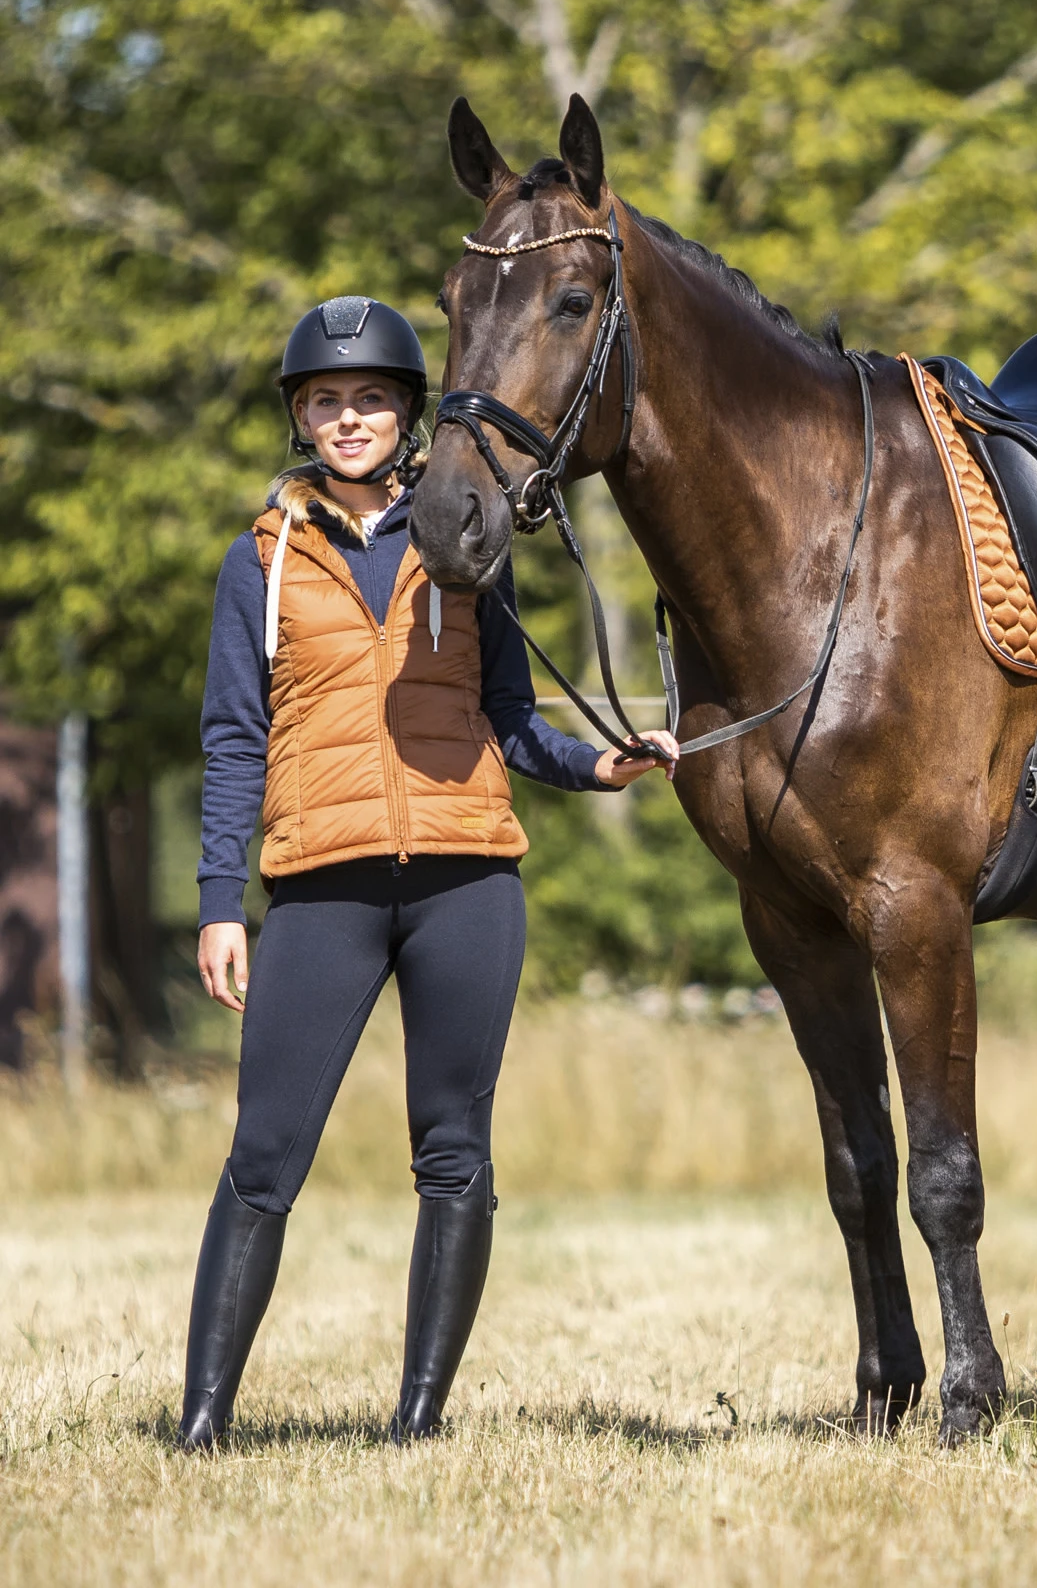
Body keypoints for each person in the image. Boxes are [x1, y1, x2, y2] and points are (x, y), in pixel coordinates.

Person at [181, 295, 677, 1449]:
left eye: (368, 399)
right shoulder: (258, 561)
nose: (346, 418)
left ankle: (418, 1421)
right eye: (324, 401)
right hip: (321, 886)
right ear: (300, 419)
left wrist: (594, 764)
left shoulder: (464, 538)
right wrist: (220, 901)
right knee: (265, 1153)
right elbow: (233, 740)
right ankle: (202, 1423)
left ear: (407, 414)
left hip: (467, 883)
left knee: (453, 1150)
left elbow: (506, 715)